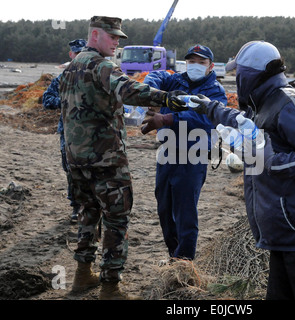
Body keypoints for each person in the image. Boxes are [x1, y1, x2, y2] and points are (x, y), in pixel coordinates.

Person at [190, 41, 295, 300]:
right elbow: (241, 122)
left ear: (251, 75)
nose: (236, 79)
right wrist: (209, 107)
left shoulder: (291, 103)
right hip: (285, 236)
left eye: (238, 74)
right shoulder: (264, 103)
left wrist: (270, 160)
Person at [59, 16, 186, 300]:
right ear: (94, 36)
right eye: (112, 36)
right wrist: (167, 98)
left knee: (87, 215)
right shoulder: (102, 65)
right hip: (106, 160)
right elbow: (128, 90)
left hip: (77, 160)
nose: (117, 42)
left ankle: (82, 276)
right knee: (116, 219)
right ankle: (110, 287)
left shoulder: (70, 68)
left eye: (119, 37)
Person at [141, 44, 227, 262]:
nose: (195, 66)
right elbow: (155, 75)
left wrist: (168, 118)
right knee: (164, 207)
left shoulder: (214, 90)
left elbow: (207, 118)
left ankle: (185, 262)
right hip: (167, 152)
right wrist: (152, 94)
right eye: (191, 61)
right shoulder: (175, 80)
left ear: (211, 66)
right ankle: (174, 255)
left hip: (193, 156)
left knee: (185, 211)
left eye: (201, 62)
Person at [42, 39, 87, 223]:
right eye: (76, 53)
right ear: (71, 55)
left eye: (81, 54)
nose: (78, 57)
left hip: (91, 133)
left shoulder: (92, 77)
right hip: (68, 132)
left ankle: (89, 206)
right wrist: (66, 100)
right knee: (71, 170)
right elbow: (47, 100)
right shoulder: (62, 79)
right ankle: (76, 207)